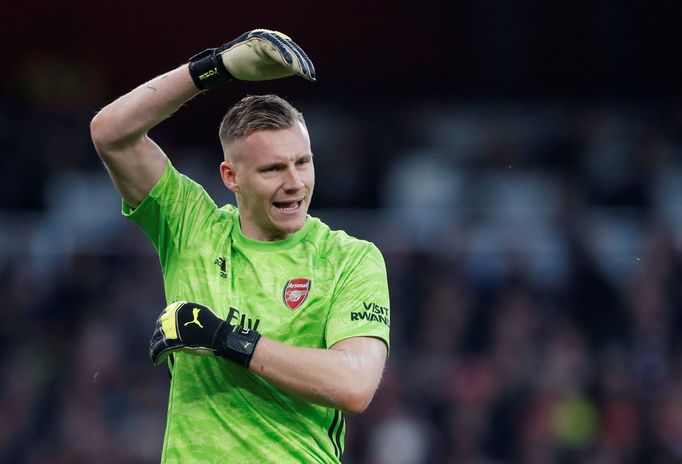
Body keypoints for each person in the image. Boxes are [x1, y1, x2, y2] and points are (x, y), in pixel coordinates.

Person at [90, 29, 390, 463]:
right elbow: (110, 132)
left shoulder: (349, 258)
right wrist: (216, 67)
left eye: (302, 162)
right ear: (231, 177)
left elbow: (354, 384)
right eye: (272, 169)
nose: (294, 183)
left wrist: (225, 338)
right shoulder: (191, 226)